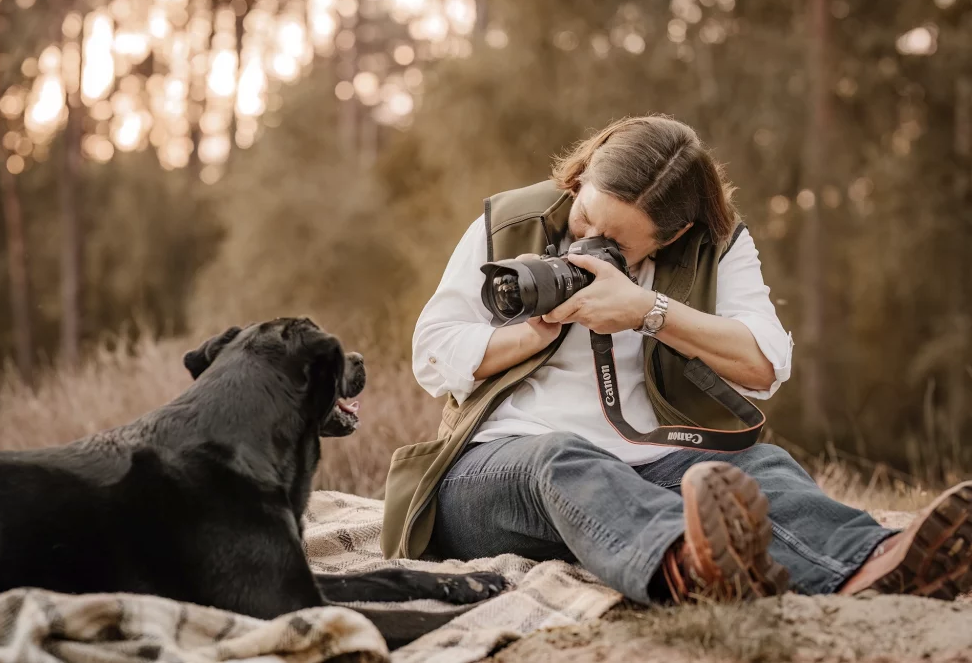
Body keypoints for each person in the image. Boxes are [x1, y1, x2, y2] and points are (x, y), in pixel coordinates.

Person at [380, 115, 972, 604]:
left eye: (618, 241)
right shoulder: (509, 220)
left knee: (762, 470)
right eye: (586, 217)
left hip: (655, 463)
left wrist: (646, 310)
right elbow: (430, 353)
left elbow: (764, 364)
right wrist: (532, 335)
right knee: (564, 459)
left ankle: (886, 562)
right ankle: (695, 569)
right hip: (496, 473)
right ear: (581, 176)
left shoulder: (716, 246)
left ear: (671, 234)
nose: (589, 240)